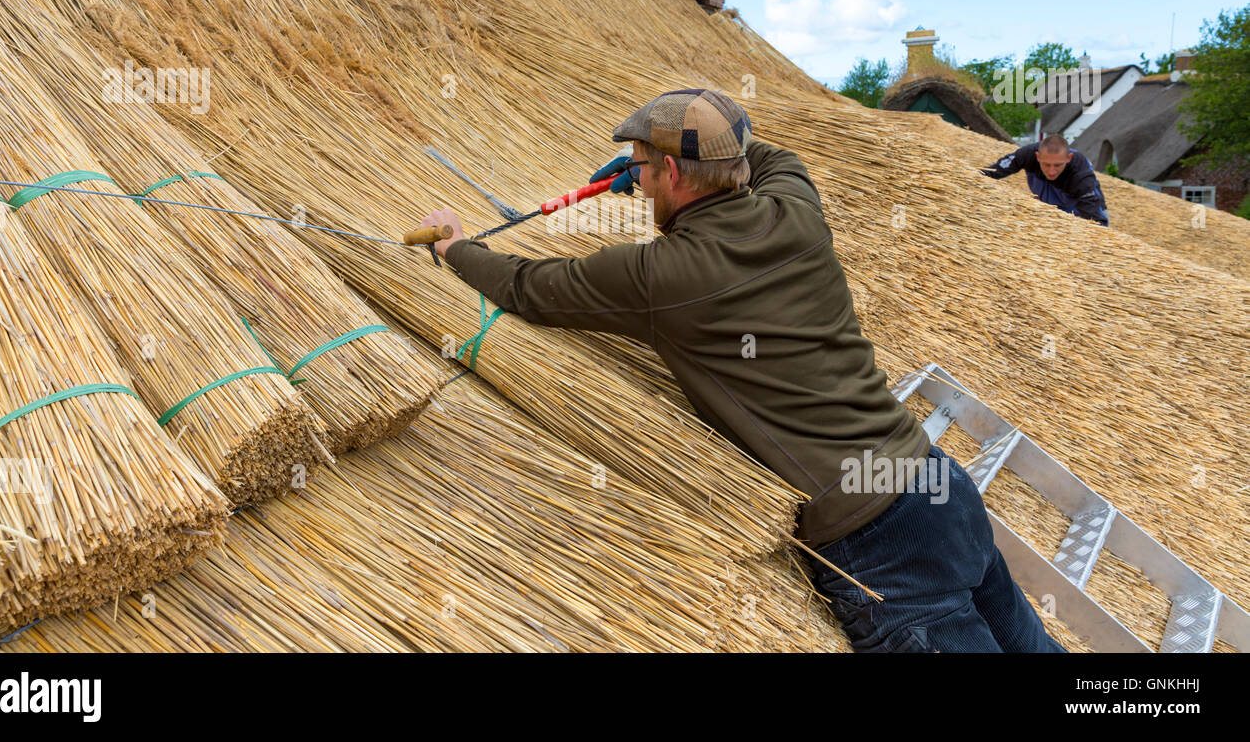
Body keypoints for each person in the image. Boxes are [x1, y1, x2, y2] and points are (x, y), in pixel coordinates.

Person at [420, 88, 1064, 653]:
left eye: (644, 170)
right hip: (934, 482)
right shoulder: (795, 211)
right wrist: (707, 157)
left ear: (671, 169)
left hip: (876, 541)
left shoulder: (663, 276)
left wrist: (454, 243)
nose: (638, 184)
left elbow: (527, 287)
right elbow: (776, 158)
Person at [981, 134, 1109, 226]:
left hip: (1075, 204)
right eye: (1046, 164)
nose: (1051, 171)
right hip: (1044, 195)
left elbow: (1095, 219)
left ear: (1068, 158)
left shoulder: (1081, 174)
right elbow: (993, 171)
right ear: (1037, 156)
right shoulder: (1027, 154)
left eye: (1058, 165)